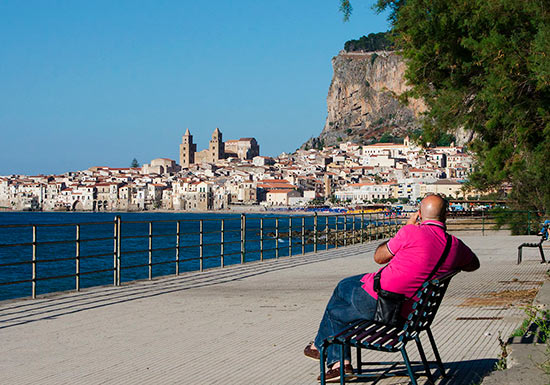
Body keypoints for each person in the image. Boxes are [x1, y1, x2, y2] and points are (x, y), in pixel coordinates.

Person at [304, 194, 480, 382]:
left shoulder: (411, 232)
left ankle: (333, 359)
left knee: (338, 305)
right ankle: (321, 349)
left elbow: (379, 257)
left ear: (419, 214)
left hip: (385, 305)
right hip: (414, 314)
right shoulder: (455, 245)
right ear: (445, 216)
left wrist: (407, 228)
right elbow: (474, 264)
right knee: (345, 290)